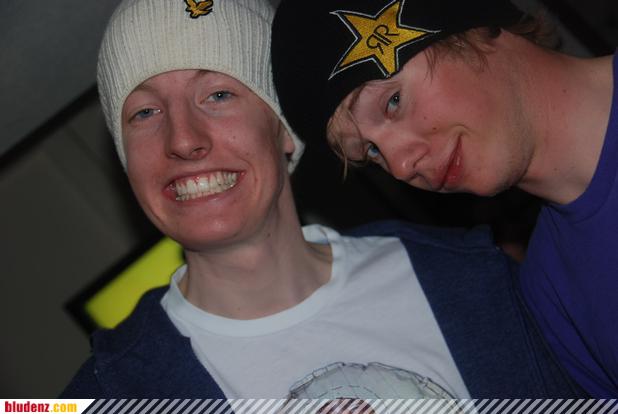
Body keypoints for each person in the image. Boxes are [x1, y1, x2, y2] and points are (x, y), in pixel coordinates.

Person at [61, 0, 584, 399]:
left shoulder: (473, 276)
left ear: (284, 131)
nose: (182, 139)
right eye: (144, 113)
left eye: (218, 95)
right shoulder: (109, 394)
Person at [270, 0, 617, 398]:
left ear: (466, 23)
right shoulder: (551, 296)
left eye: (393, 102)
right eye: (372, 152)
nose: (401, 166)